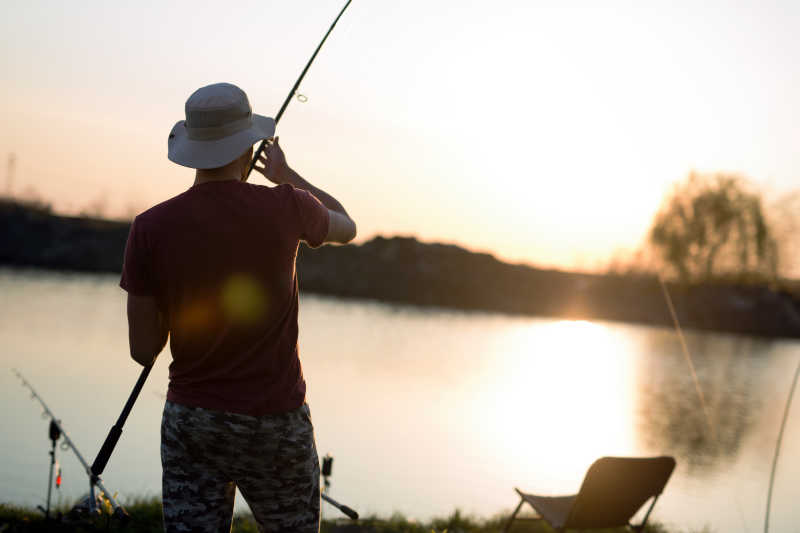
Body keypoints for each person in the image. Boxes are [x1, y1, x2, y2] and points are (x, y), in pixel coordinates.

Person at [120, 82, 356, 533]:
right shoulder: (288, 205)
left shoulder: (149, 228)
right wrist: (287, 176)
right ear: (249, 145)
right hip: (275, 423)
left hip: (193, 421)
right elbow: (347, 225)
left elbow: (143, 349)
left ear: (192, 147)